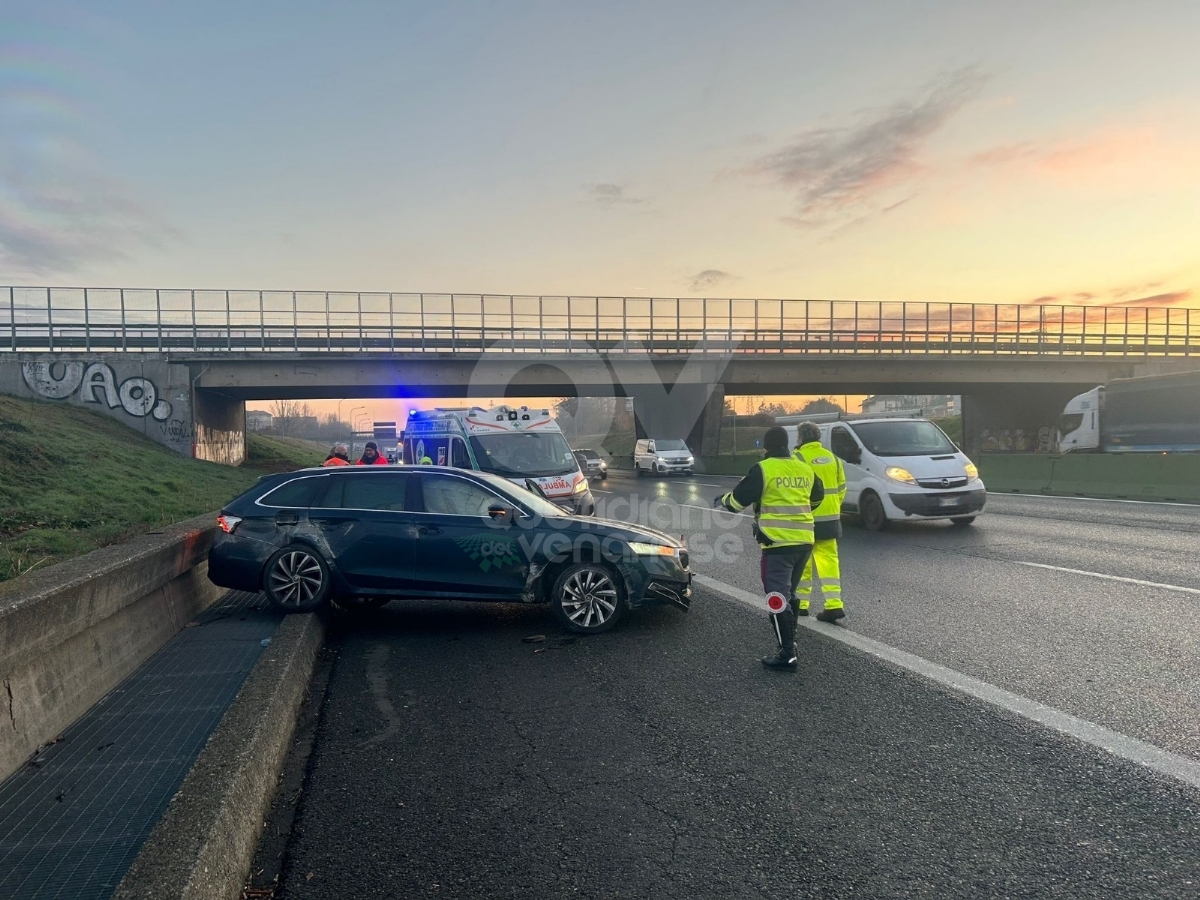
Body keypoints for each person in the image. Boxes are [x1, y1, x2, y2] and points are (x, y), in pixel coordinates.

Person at [715, 425, 824, 671]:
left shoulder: (764, 469)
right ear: (787, 444)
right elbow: (817, 497)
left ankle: (787, 653)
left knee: (776, 598)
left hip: (777, 544)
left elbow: (736, 502)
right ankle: (791, 643)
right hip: (804, 541)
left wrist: (722, 500)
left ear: (766, 446)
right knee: (789, 594)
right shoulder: (804, 467)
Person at [793, 422, 847, 623]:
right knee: (829, 563)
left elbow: (794, 492)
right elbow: (841, 488)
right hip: (830, 520)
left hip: (805, 520)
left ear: (800, 438)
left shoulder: (797, 458)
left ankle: (802, 605)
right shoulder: (833, 459)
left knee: (803, 564)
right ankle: (834, 605)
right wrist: (833, 509)